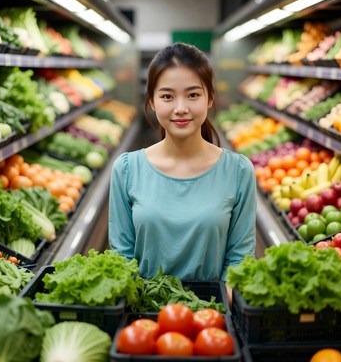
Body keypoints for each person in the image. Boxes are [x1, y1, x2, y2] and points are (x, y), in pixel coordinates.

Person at [108, 42, 256, 300]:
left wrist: (220, 311)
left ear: (210, 98)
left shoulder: (238, 171)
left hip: (211, 322)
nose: (180, 108)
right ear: (152, 101)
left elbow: (240, 257)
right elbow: (122, 255)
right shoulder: (127, 169)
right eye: (167, 96)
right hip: (144, 319)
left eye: (192, 95)